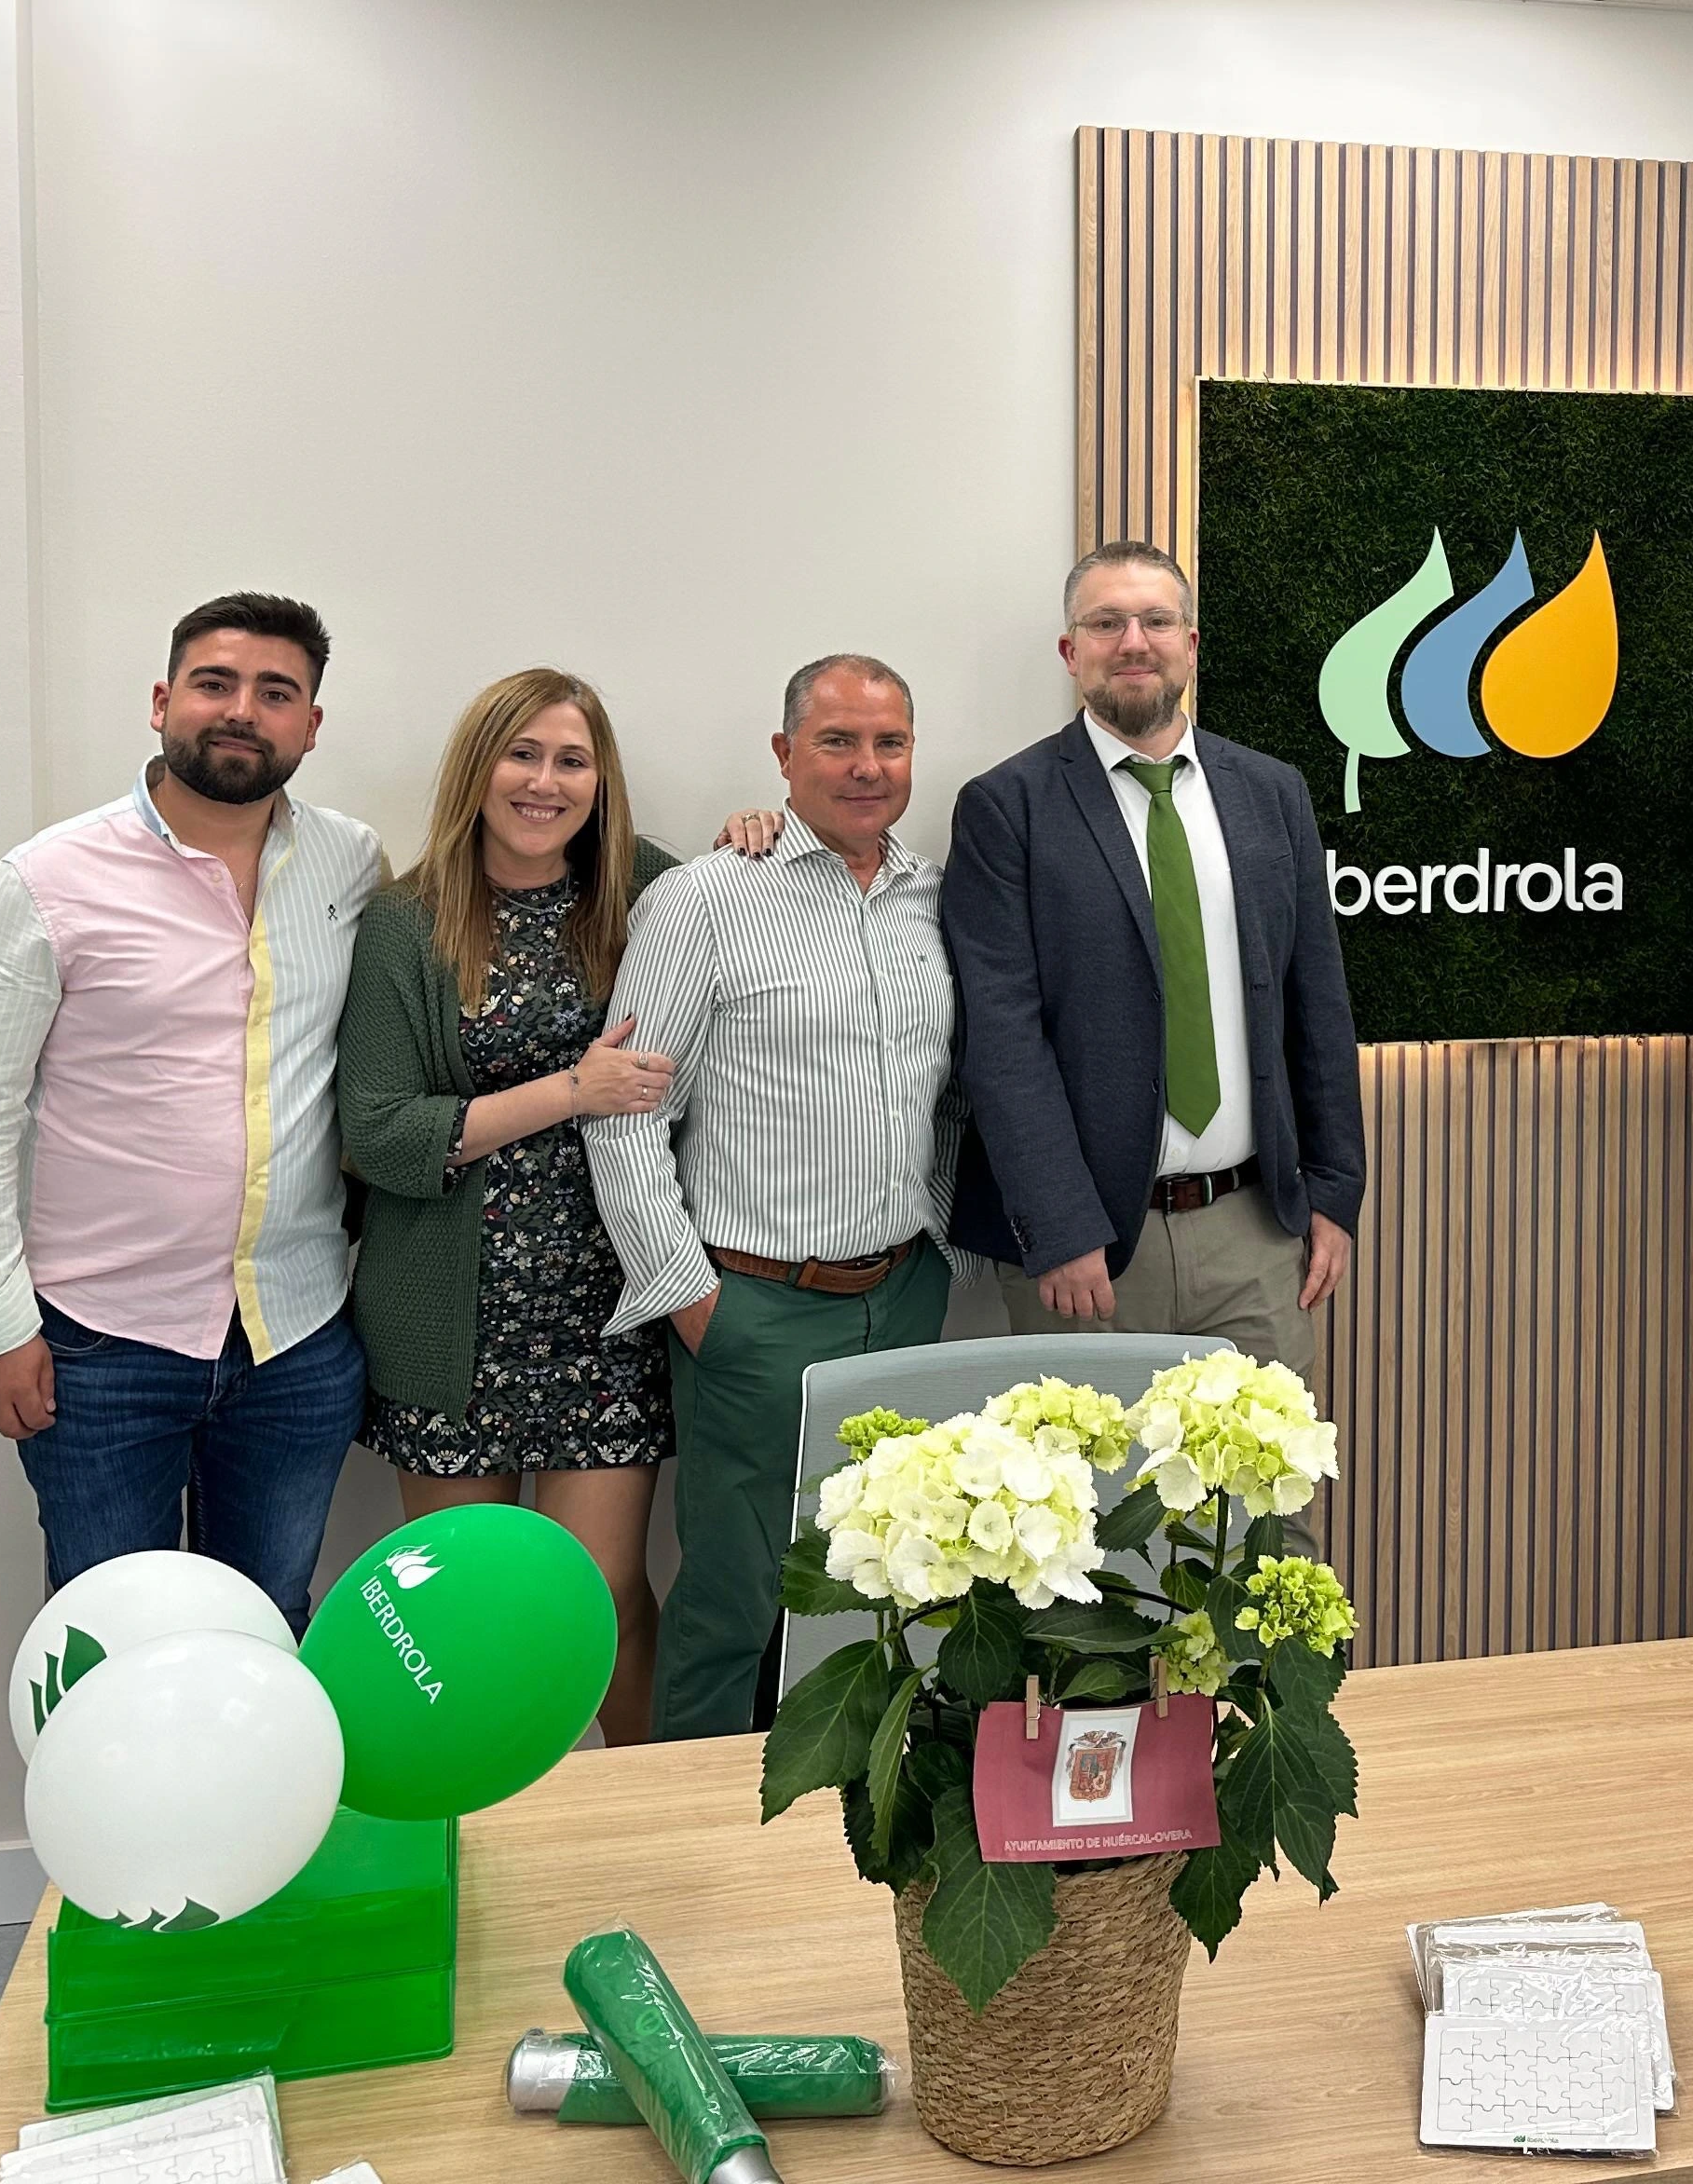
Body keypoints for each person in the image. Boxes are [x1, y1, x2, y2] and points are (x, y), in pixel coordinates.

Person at [0, 592, 383, 1630]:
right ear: (164, 701)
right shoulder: (47, 880)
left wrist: (751, 834)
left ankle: (266, 1803)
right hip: (96, 1350)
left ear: (311, 725)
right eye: (215, 685)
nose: (241, 712)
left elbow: (517, 876)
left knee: (269, 1629)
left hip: (295, 1340)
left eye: (276, 693)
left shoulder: (350, 864)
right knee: (106, 1651)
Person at [587, 655, 958, 1740]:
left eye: (888, 743)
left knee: (888, 1584)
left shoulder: (940, 901)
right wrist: (692, 1301)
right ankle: (698, 1860)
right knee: (735, 1604)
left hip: (906, 1300)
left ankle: (854, 1834)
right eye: (837, 742)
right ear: (784, 755)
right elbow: (625, 1116)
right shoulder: (703, 900)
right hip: (752, 1311)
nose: (866, 766)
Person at [337, 669, 683, 1744]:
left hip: (604, 1317)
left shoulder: (644, 894)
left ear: (601, 780)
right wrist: (569, 1094)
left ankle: (644, 1826)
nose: (544, 781)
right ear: (477, 770)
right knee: (461, 1617)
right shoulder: (408, 918)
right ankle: (483, 1838)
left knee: (606, 1599)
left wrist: (759, 827)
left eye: (571, 760)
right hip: (451, 1321)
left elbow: (750, 900)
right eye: (521, 755)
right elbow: (382, 1135)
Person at [944, 541, 1364, 1383]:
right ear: (1072, 651)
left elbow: (1315, 1000)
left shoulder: (1271, 791)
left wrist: (1333, 1191)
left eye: (1155, 620)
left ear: (1190, 643)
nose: (1133, 641)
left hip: (1255, 1230)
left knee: (1266, 1507)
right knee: (1080, 1507)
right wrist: (1059, 1228)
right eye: (1106, 623)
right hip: (1091, 1252)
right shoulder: (1006, 807)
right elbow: (1002, 1039)